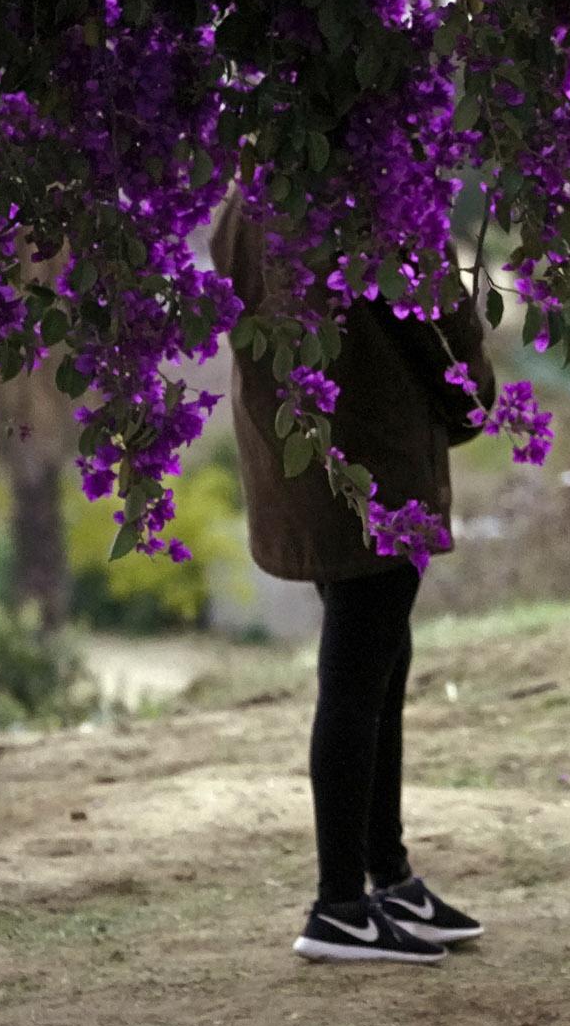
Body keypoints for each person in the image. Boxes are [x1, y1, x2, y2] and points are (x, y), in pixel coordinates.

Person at [211, 197, 492, 963]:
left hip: (309, 463)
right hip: (374, 458)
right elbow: (434, 319)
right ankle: (338, 902)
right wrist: (472, 400)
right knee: (358, 680)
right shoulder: (365, 189)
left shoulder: (249, 198)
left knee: (378, 663)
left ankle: (387, 878)